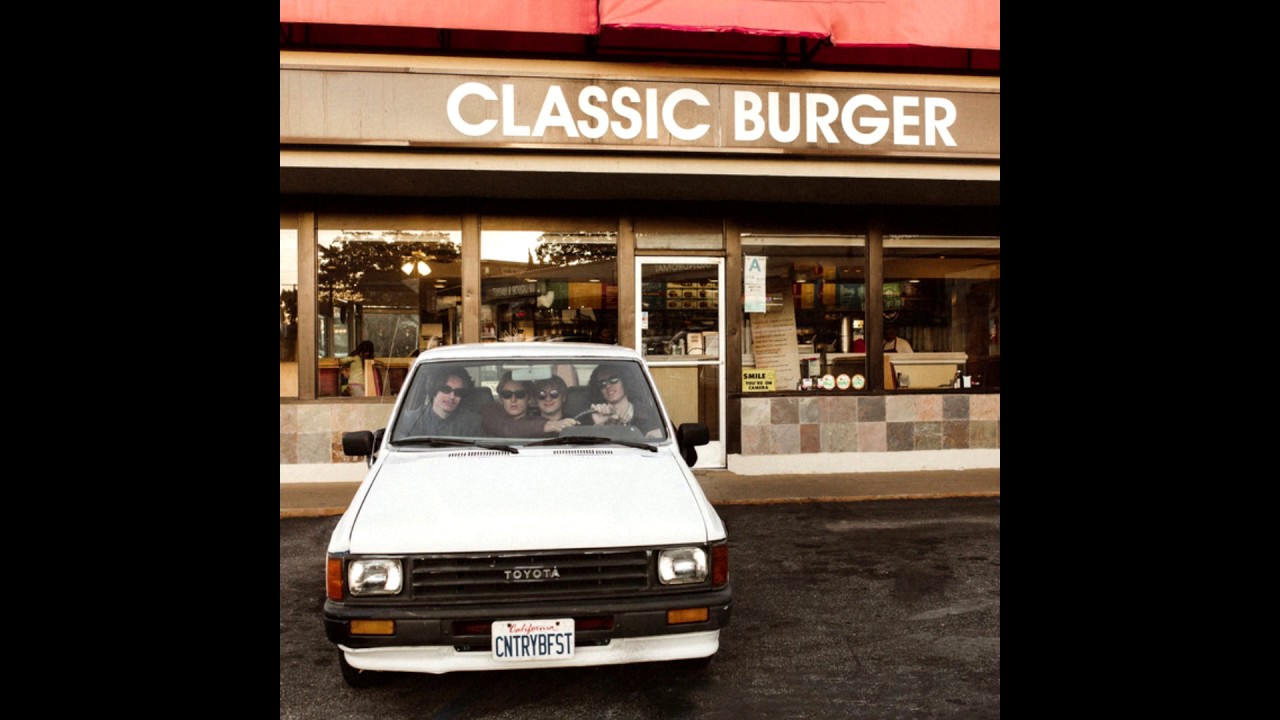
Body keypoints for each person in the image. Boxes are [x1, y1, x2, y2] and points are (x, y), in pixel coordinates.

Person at [580, 364, 663, 438]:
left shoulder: (648, 413)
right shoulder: (591, 416)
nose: (608, 386)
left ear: (625, 381)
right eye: (602, 383)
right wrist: (597, 425)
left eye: (613, 380)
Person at [401, 367, 482, 437]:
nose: (452, 396)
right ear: (434, 389)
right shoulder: (411, 421)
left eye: (458, 392)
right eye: (446, 389)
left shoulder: (472, 423)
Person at [481, 372, 540, 437]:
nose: (513, 399)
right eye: (507, 394)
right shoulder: (490, 414)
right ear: (501, 399)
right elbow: (505, 427)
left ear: (529, 398)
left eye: (520, 394)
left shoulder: (538, 421)